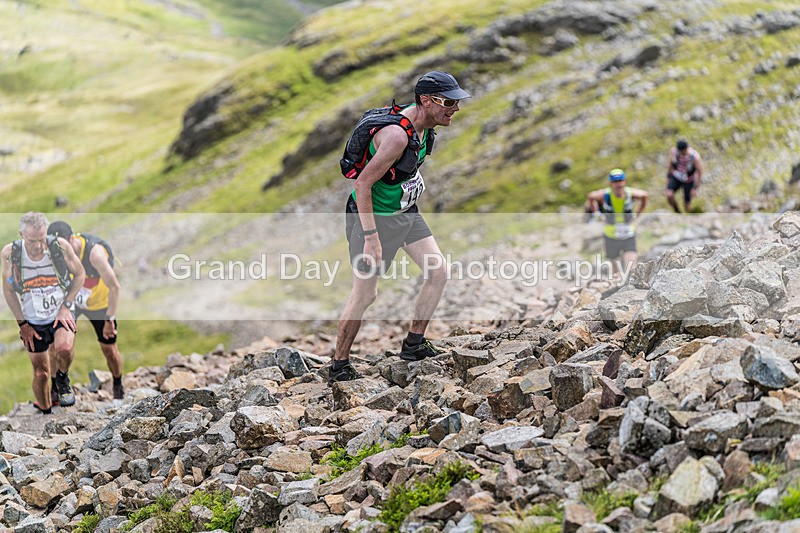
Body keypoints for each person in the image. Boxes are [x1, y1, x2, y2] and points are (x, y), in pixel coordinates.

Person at [329, 71, 471, 383]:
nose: (454, 109)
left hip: (406, 213)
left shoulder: (425, 129)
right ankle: (339, 365)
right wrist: (371, 238)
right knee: (365, 295)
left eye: (456, 102)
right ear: (426, 100)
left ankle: (414, 344)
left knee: (438, 271)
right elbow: (362, 185)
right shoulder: (397, 137)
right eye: (449, 102)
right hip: (373, 219)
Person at [1, 212, 85, 413]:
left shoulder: (59, 246)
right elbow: (8, 290)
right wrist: (23, 325)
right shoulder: (10, 253)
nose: (38, 246)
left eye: (41, 239)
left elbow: (80, 274)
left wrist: (66, 306)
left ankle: (63, 380)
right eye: (32, 241)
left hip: (60, 312)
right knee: (41, 374)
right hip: (33, 318)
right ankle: (45, 409)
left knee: (63, 349)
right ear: (21, 234)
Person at [48, 221, 125, 400]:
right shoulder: (55, 254)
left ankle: (118, 385)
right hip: (73, 301)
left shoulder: (94, 254)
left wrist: (109, 319)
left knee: (109, 349)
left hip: (99, 303)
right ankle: (55, 389)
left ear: (72, 238)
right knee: (55, 345)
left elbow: (115, 287)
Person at [586, 169, 649, 276]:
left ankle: (631, 290)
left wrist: (638, 213)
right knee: (615, 273)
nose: (618, 184)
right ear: (611, 183)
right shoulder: (605, 194)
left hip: (628, 235)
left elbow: (645, 195)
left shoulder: (630, 193)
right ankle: (617, 291)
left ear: (624, 181)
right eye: (615, 181)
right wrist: (597, 214)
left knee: (631, 269)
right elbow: (591, 196)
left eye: (620, 180)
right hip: (611, 236)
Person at [665, 138, 704, 213]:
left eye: (683, 150)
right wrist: (668, 176)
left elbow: (700, 171)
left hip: (689, 180)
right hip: (677, 176)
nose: (681, 152)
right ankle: (677, 212)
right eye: (680, 151)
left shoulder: (694, 157)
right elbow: (670, 163)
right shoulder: (674, 152)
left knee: (687, 205)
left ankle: (689, 215)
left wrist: (696, 188)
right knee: (669, 195)